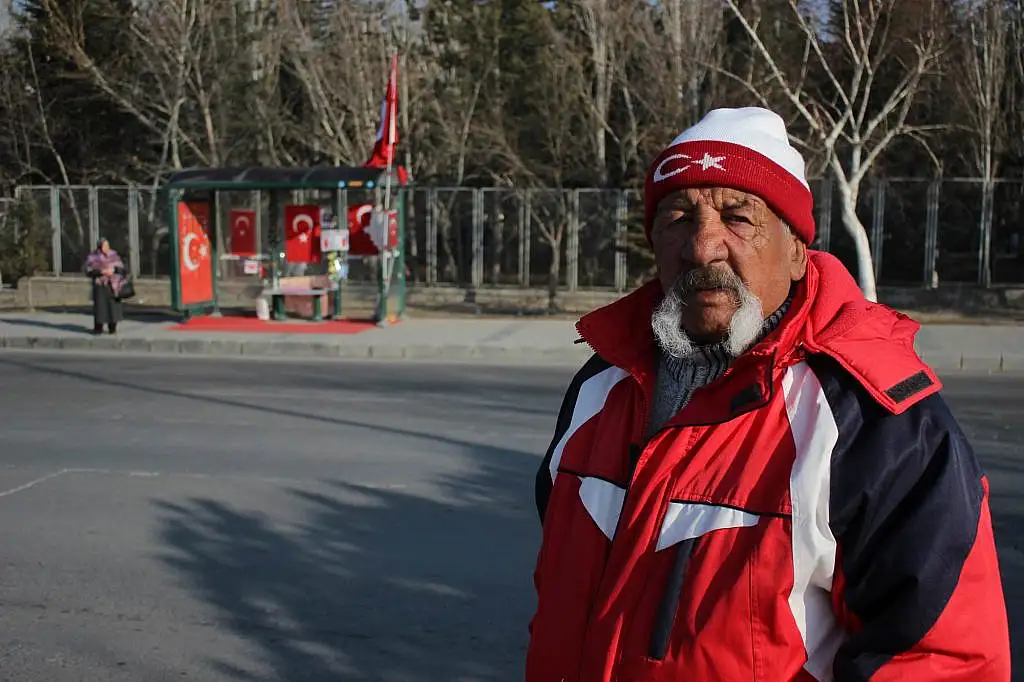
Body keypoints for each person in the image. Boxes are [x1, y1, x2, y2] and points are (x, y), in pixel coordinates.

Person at [528, 107, 1010, 682]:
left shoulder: (875, 421)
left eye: (738, 217)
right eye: (678, 217)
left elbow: (945, 661)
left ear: (798, 251)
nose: (702, 247)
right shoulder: (600, 387)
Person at [83, 237, 126, 335]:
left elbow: (121, 268)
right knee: (100, 308)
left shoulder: (114, 255)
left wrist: (113, 270)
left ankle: (112, 328)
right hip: (100, 285)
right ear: (99, 247)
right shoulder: (93, 256)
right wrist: (101, 272)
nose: (107, 247)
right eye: (105, 245)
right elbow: (88, 270)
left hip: (113, 285)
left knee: (113, 307)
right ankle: (98, 328)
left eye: (108, 245)